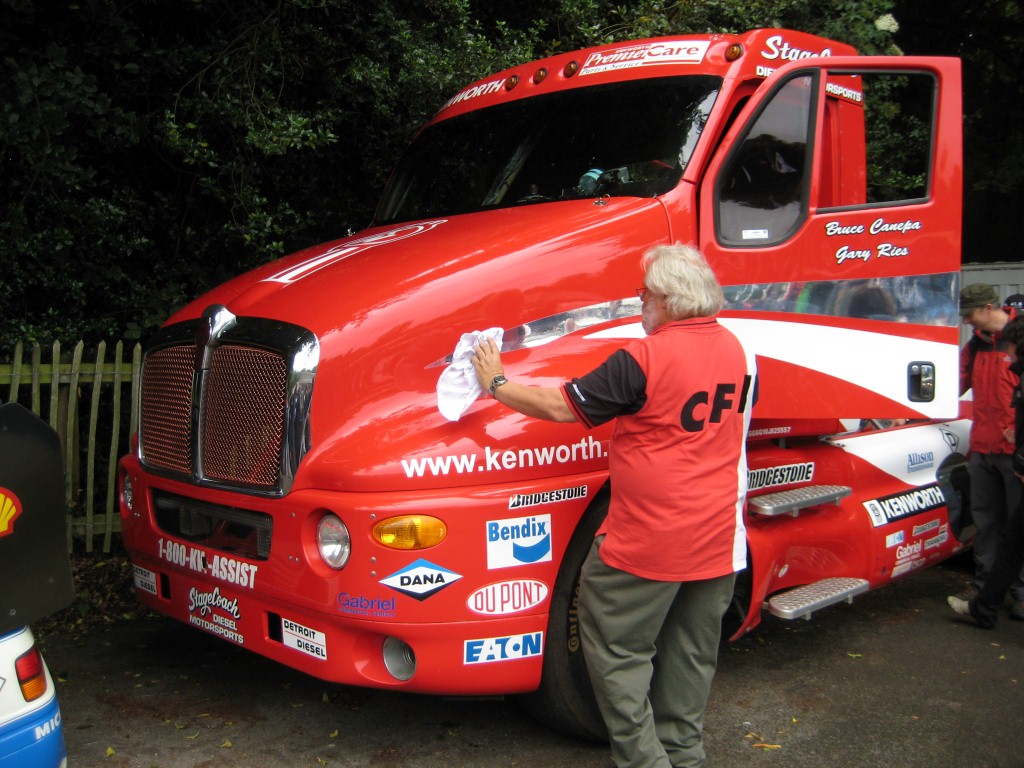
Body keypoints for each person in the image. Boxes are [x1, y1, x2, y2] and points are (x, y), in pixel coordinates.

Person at [471, 244, 756, 768]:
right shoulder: (736, 349)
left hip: (649, 544)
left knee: (619, 653)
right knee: (691, 656)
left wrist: (497, 382)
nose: (640, 300)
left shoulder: (644, 358)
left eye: (645, 292)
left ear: (668, 299)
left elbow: (563, 405)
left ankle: (646, 762)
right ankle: (684, 756)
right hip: (716, 541)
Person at [949, 315, 1024, 626]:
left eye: (1011, 348)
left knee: (1014, 535)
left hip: (1013, 458)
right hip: (985, 448)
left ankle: (1013, 597)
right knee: (993, 527)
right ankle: (986, 598)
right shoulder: (976, 346)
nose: (965, 319)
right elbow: (952, 383)